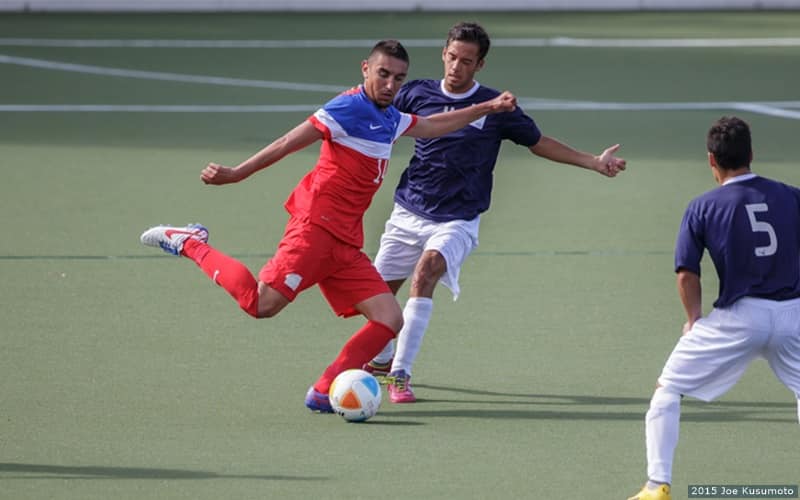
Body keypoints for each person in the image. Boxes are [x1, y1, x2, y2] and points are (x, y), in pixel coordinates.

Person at [138, 39, 517, 413]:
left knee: (389, 319)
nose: (390, 85)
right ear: (365, 68)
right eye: (383, 74)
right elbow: (289, 141)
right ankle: (189, 242)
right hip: (314, 229)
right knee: (260, 304)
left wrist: (486, 106)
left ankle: (323, 390)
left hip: (346, 242)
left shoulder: (390, 117)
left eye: (399, 79)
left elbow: (434, 126)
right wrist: (237, 173)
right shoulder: (348, 107)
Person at [363, 22, 627, 403]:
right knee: (380, 296)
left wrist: (592, 162)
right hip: (408, 211)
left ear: (480, 65)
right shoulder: (416, 93)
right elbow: (376, 116)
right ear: (443, 54)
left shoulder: (497, 106)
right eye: (452, 57)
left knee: (427, 271)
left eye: (467, 61)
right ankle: (384, 359)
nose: (456, 67)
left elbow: (538, 142)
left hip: (458, 218)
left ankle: (400, 375)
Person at [626, 116, 800, 500]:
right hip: (793, 314)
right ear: (752, 154)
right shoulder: (791, 195)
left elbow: (687, 273)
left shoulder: (702, 206)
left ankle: (657, 485)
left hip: (738, 319)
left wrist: (693, 320)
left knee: (667, 390)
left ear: (711, 160)